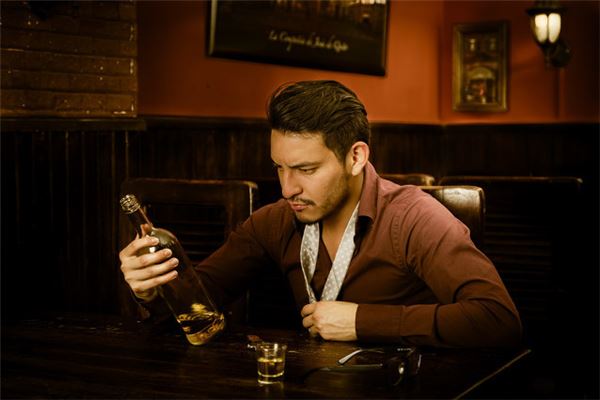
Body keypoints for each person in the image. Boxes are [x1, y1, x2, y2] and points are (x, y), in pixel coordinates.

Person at [119, 80, 521, 348]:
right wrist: (153, 288)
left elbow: (499, 321)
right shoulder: (275, 220)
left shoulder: (415, 218)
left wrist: (363, 322)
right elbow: (198, 305)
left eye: (306, 170)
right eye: (279, 167)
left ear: (356, 157)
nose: (287, 188)